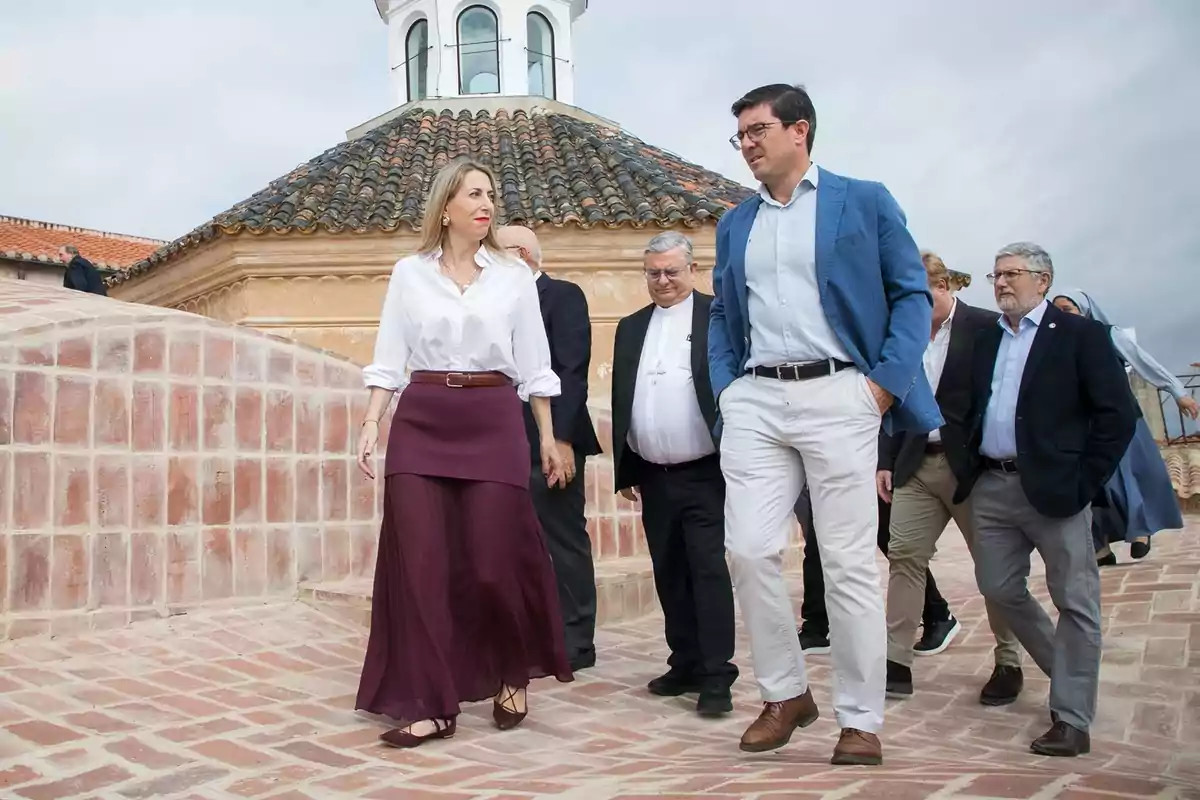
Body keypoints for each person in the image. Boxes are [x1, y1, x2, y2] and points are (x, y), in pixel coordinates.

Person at [709, 83, 942, 765]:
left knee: (845, 562)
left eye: (757, 130)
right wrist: (727, 390)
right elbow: (722, 309)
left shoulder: (863, 201)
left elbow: (910, 295)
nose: (747, 145)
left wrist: (882, 387)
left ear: (799, 130)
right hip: (756, 399)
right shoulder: (735, 223)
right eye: (740, 135)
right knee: (748, 548)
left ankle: (861, 719)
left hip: (842, 392)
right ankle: (785, 694)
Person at [354, 157, 573, 749]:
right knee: (420, 567)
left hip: (492, 419)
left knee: (492, 562)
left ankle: (511, 669)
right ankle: (431, 704)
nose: (487, 204)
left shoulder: (514, 277)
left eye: (491, 194)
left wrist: (546, 436)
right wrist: (372, 422)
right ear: (446, 206)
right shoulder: (409, 273)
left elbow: (535, 365)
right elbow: (388, 357)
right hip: (422, 420)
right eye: (474, 193)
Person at [955, 242, 1137, 757]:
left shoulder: (1081, 335)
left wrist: (1085, 481)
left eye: (1012, 273)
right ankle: (1068, 672)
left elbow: (1118, 415)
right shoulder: (986, 338)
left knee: (1075, 599)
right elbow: (971, 405)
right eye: (996, 275)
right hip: (992, 485)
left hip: (1058, 489)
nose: (1001, 283)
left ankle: (1072, 718)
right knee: (997, 587)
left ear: (1043, 279)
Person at [879, 252, 1023, 706]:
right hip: (915, 464)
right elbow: (888, 397)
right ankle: (896, 660)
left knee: (993, 567)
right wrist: (885, 459)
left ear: (942, 287)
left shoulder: (986, 328)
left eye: (915, 296)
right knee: (904, 556)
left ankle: (1009, 660)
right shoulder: (901, 334)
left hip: (973, 469)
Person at [611, 231, 737, 717]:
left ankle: (717, 674)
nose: (662, 280)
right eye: (653, 273)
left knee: (707, 570)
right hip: (652, 474)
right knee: (669, 570)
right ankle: (684, 660)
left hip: (706, 471)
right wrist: (626, 465)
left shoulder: (717, 317)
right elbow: (624, 397)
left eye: (671, 271)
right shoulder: (630, 327)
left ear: (692, 270)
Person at [497, 224, 603, 671]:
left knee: (561, 540)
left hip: (550, 440)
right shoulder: (495, 303)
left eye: (494, 252)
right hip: (501, 440)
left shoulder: (561, 296)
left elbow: (572, 371)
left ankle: (575, 643)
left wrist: (559, 438)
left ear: (521, 254)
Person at [1051, 288, 1194, 565]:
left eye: (1067, 310)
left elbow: (1144, 363)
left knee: (1126, 478)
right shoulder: (1053, 344)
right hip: (1080, 426)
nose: (1062, 316)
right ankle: (1100, 547)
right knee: (1090, 486)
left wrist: (1178, 391)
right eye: (1057, 311)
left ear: (1084, 311)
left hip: (1119, 420)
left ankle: (1140, 531)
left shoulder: (1108, 335)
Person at [795, 484, 959, 658]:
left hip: (865, 475)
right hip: (823, 478)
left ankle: (937, 613)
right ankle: (817, 625)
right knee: (818, 543)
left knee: (893, 541)